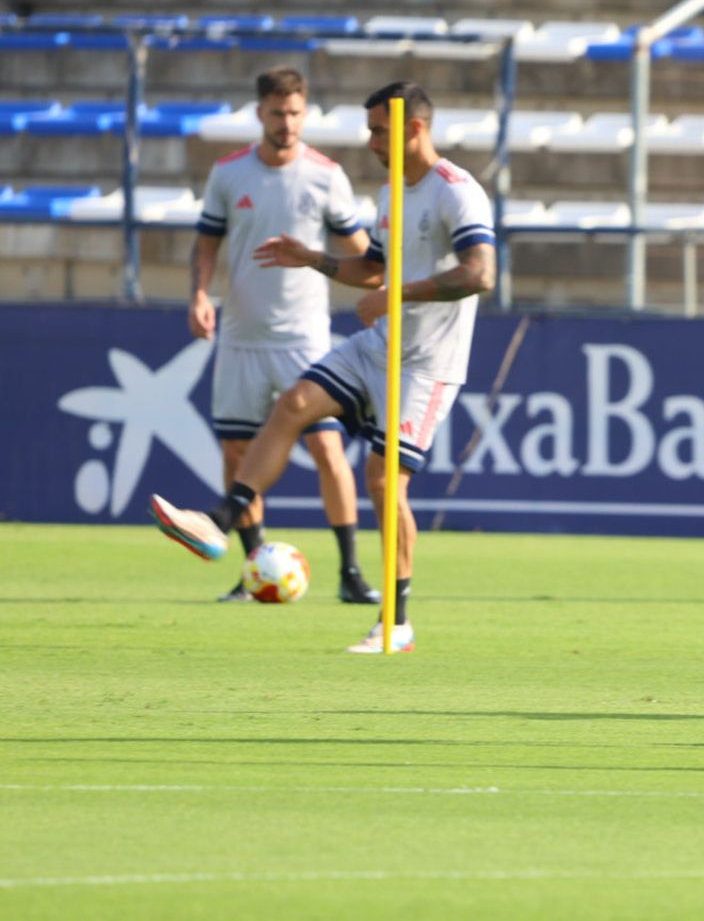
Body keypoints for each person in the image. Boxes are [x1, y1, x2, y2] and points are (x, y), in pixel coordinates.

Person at [150, 81, 496, 653]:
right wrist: (313, 259)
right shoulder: (392, 192)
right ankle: (218, 520)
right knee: (295, 405)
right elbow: (374, 268)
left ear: (415, 128)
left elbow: (479, 274)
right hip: (380, 343)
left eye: (379, 129)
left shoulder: (458, 192)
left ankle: (396, 622)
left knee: (384, 484)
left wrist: (399, 293)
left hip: (428, 365)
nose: (370, 140)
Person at [189, 67, 378, 605]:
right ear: (260, 114)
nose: (288, 123)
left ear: (304, 112)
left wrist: (368, 278)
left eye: (296, 112)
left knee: (327, 449)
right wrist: (200, 295)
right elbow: (206, 242)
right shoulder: (229, 174)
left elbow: (365, 253)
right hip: (242, 337)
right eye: (278, 113)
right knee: (236, 455)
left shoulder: (325, 175)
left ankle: (350, 573)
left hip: (305, 338)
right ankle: (255, 570)